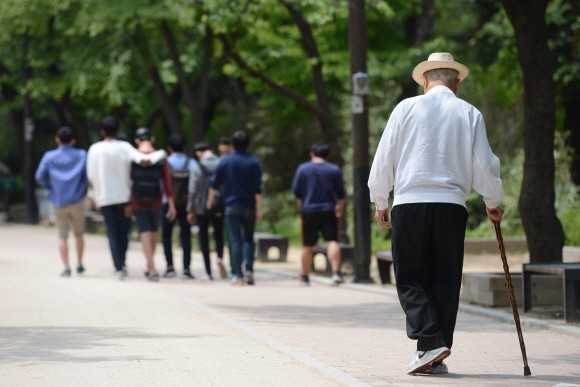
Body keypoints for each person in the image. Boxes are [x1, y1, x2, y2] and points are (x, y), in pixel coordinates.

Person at [368, 52, 505, 375]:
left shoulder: (406, 108)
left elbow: (384, 157)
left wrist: (380, 201)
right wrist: (492, 201)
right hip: (451, 205)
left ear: (425, 81)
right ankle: (435, 350)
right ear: (456, 82)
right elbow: (483, 165)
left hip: (410, 202)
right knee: (444, 279)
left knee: (411, 276)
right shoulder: (469, 112)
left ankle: (430, 342)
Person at [86, 116, 166, 280]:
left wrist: (92, 196)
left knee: (112, 232)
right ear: (117, 130)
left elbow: (90, 176)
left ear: (102, 131)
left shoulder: (94, 149)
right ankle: (123, 262)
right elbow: (143, 160)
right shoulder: (124, 147)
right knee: (124, 231)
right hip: (125, 197)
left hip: (105, 197)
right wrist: (162, 153)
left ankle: (119, 266)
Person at [207, 130, 262, 286]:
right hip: (249, 204)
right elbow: (258, 188)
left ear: (232, 144)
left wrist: (210, 201)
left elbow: (214, 183)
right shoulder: (253, 161)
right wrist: (259, 209)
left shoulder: (225, 161)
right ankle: (249, 270)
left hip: (231, 204)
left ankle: (237, 274)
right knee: (249, 239)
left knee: (235, 239)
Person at [35, 126, 88, 277]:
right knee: (79, 234)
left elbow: (39, 176)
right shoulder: (81, 154)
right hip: (77, 200)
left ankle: (66, 267)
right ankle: (79, 264)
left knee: (62, 236)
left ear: (57, 139)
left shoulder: (49, 156)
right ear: (73, 140)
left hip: (58, 201)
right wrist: (82, 189)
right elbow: (87, 176)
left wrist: (51, 187)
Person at [291, 143, 346, 286]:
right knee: (332, 241)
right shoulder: (334, 169)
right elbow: (341, 194)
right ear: (327, 155)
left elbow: (297, 193)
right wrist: (339, 209)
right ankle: (336, 272)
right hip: (328, 209)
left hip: (309, 210)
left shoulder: (303, 169)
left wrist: (302, 208)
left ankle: (305, 275)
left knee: (307, 245)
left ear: (312, 153)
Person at [131, 127, 176, 281]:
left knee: (144, 232)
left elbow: (129, 179)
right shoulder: (161, 157)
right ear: (152, 139)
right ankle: (150, 264)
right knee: (154, 232)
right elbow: (167, 183)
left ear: (137, 140)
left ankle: (151, 267)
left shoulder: (132, 156)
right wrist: (171, 204)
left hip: (137, 200)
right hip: (156, 199)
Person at [186, 142, 226, 280]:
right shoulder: (221, 163)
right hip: (219, 204)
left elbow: (192, 190)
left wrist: (190, 210)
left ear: (198, 153)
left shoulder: (198, 166)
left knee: (203, 238)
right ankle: (220, 257)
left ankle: (208, 271)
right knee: (219, 234)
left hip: (201, 206)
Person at [161, 133, 196, 279]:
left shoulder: (165, 163)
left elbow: (161, 185)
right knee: (186, 235)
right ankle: (186, 268)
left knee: (167, 236)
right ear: (184, 147)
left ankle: (170, 267)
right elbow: (195, 186)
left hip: (168, 204)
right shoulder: (192, 163)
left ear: (169, 147)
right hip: (186, 204)